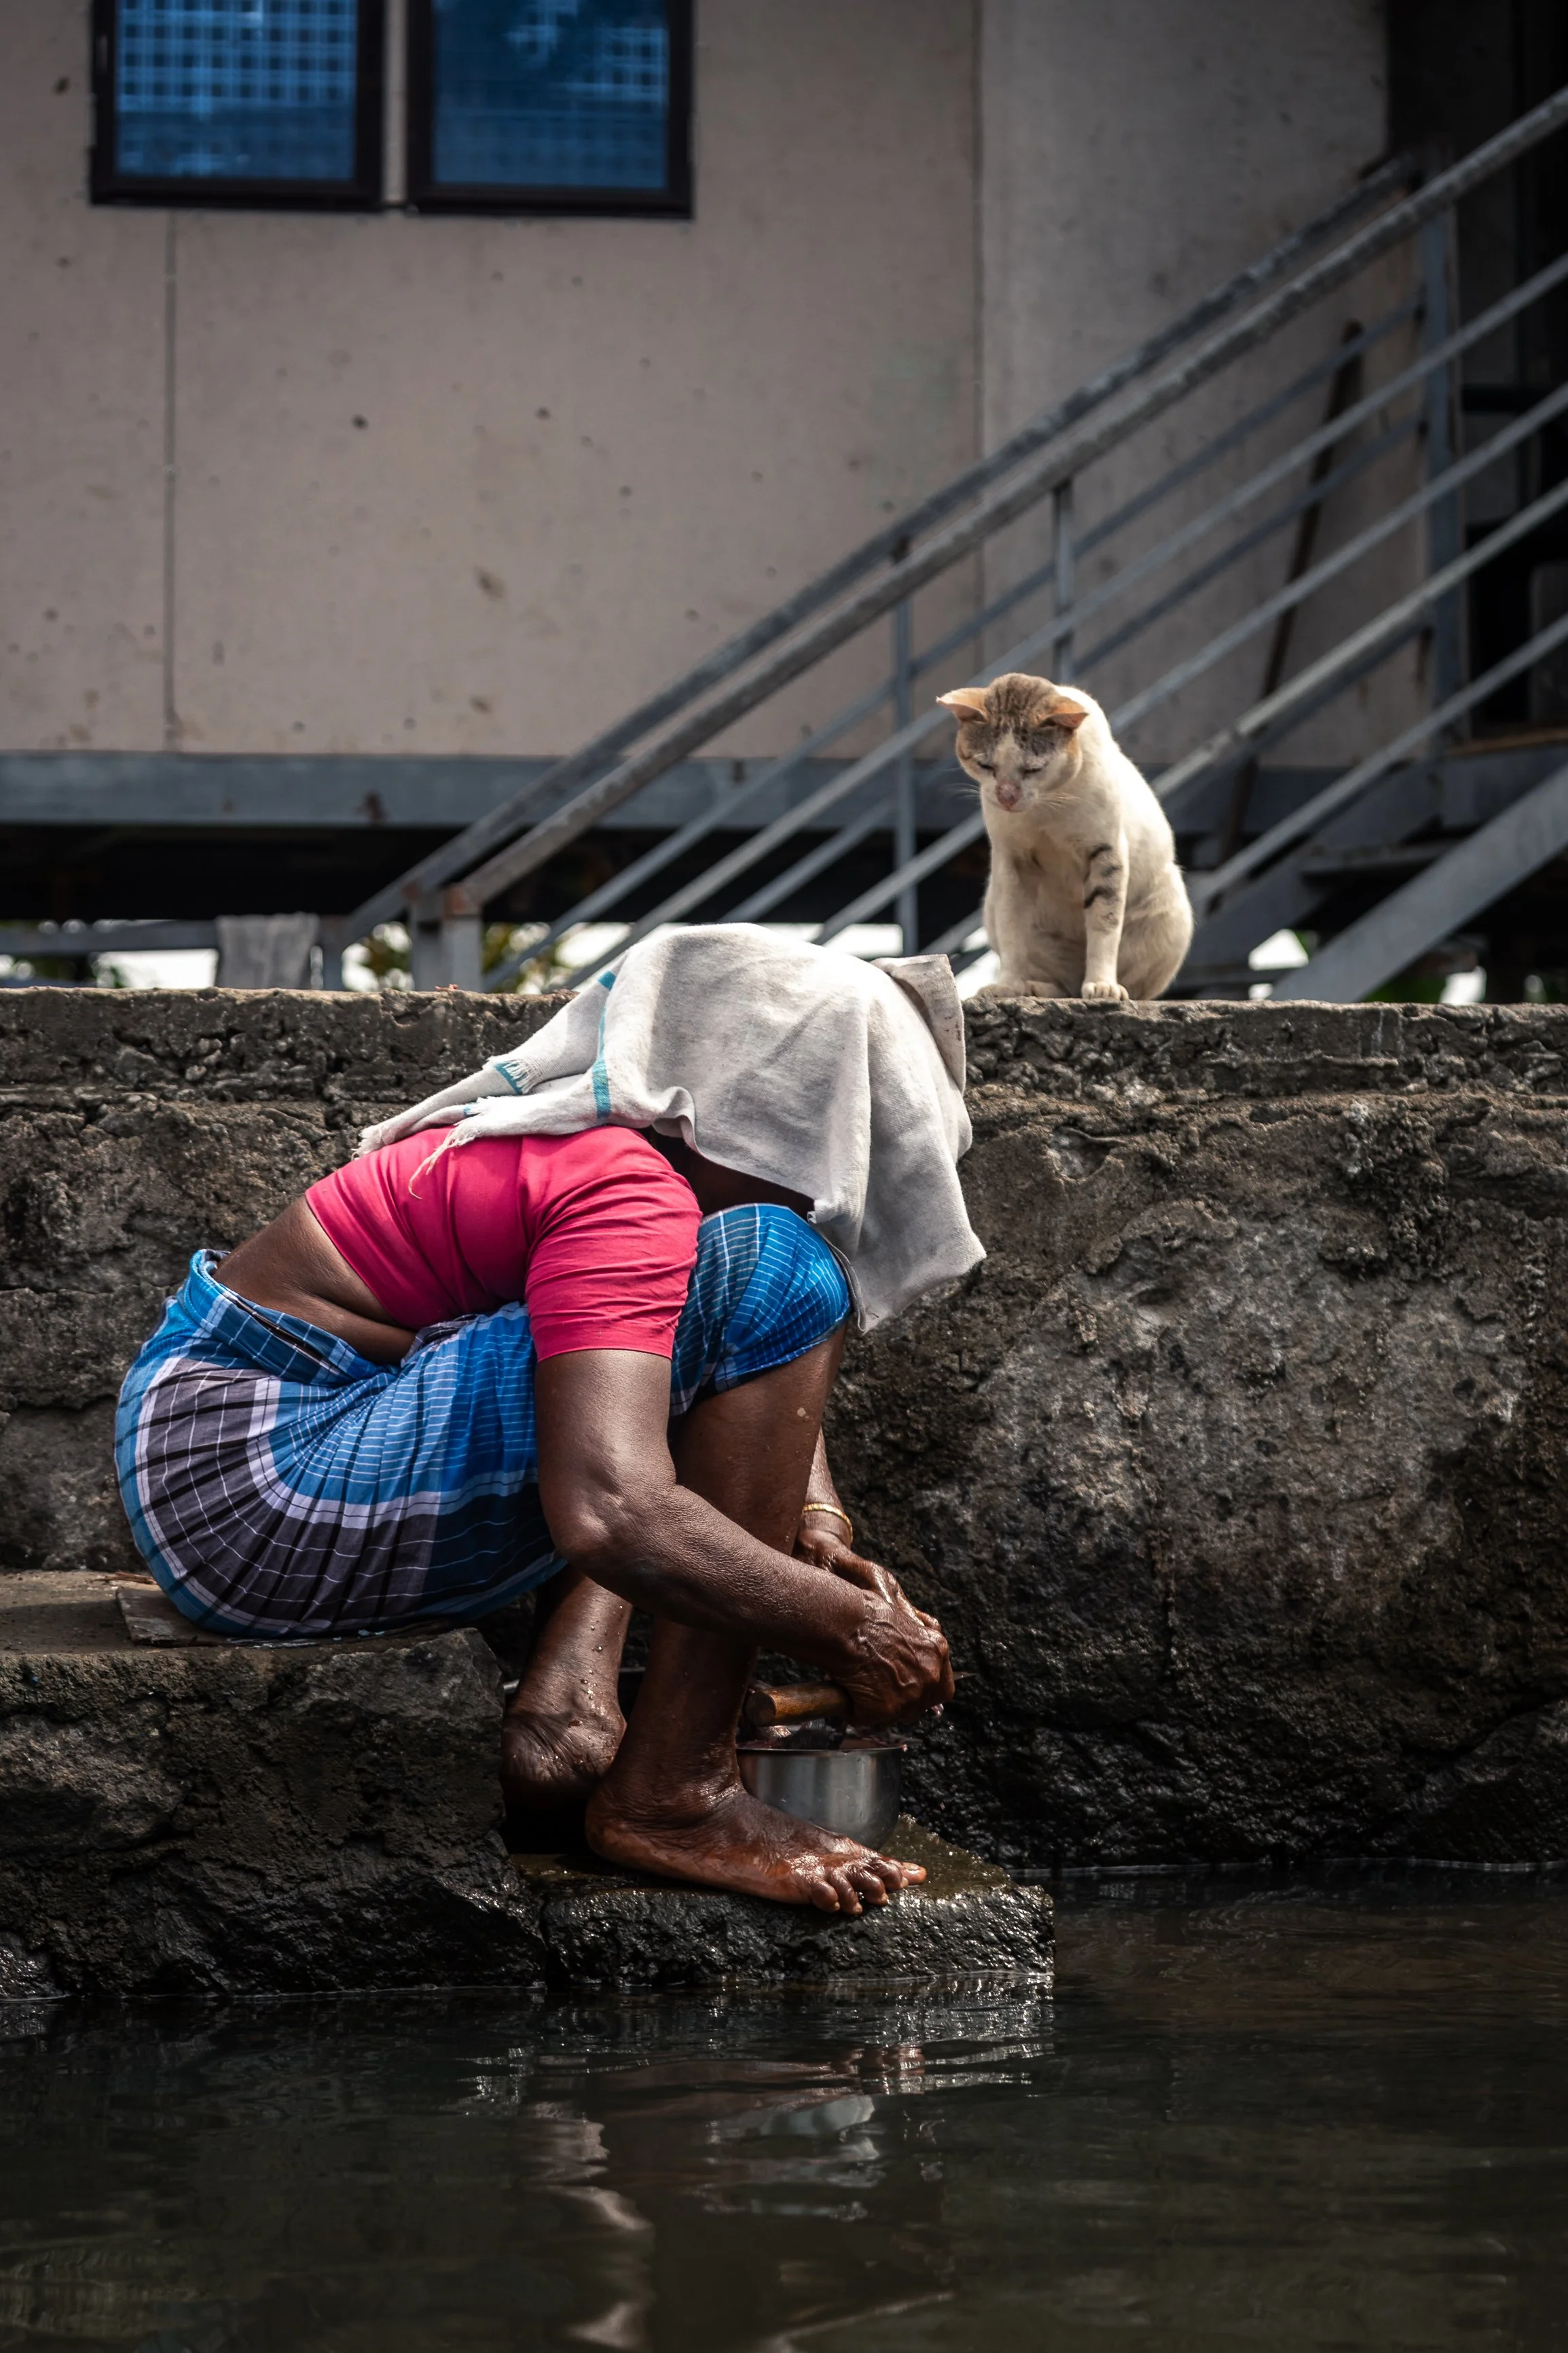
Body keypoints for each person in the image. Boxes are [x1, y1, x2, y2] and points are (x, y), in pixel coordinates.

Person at [115, 927, 985, 1916]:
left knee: (669, 1346)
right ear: (748, 1119)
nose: (824, 1195)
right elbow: (611, 1509)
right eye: (820, 1154)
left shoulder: (612, 1168)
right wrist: (858, 1630)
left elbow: (688, 1354)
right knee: (774, 1274)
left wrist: (817, 1525)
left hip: (215, 1478)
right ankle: (676, 1792)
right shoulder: (628, 1191)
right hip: (261, 1485)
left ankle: (566, 1709)